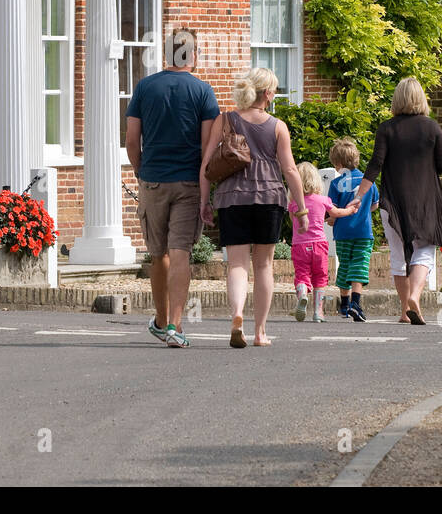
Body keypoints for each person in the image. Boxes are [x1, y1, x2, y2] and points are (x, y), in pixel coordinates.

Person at [344, 77, 442, 325]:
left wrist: (359, 196)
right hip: (426, 203)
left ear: (397, 99)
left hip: (393, 203)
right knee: (423, 252)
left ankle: (405, 311)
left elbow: (375, 165)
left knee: (397, 256)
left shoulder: (387, 128)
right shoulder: (432, 128)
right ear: (421, 99)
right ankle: (415, 296)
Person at [199, 67, 308, 348]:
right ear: (268, 93)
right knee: (263, 265)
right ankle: (260, 332)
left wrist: (204, 201)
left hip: (232, 198)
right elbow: (290, 170)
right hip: (269, 199)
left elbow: (206, 165)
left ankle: (237, 316)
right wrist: (302, 208)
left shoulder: (224, 120)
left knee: (236, 264)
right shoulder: (278, 126)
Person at [126, 29, 220, 348]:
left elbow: (131, 139)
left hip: (153, 179)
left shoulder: (145, 87)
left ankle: (161, 319)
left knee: (158, 254)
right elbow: (208, 147)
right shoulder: (203, 91)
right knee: (180, 252)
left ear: (166, 54)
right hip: (189, 182)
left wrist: (142, 171)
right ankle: (176, 328)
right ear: (192, 55)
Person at [289, 163, 356, 322]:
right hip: (319, 244)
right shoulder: (323, 200)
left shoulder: (293, 204)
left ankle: (303, 293)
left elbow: (293, 221)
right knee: (320, 277)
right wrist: (351, 210)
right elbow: (337, 212)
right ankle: (318, 312)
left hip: (300, 245)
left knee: (302, 275)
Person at [327, 137, 380, 322]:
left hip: (342, 233)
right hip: (363, 232)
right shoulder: (369, 183)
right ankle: (356, 303)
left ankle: (344, 304)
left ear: (339, 164)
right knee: (360, 265)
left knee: (345, 266)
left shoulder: (335, 184)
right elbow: (375, 205)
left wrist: (333, 219)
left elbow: (332, 209)